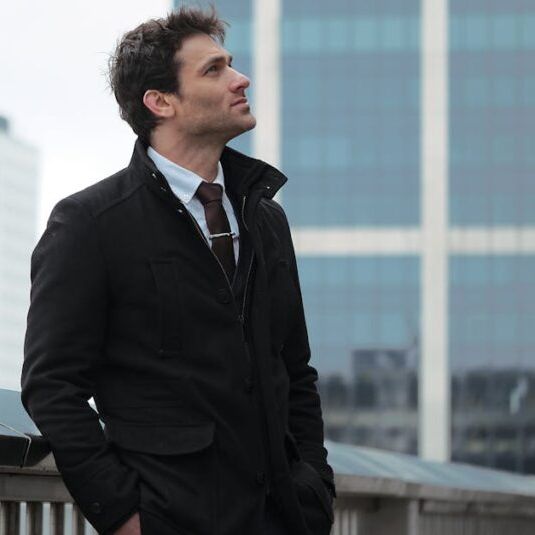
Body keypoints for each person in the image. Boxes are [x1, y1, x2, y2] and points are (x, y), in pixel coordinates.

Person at [21, 7, 335, 535]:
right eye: (214, 70)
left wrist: (314, 491)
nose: (241, 78)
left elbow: (295, 371)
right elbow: (51, 387)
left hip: (281, 519)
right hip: (173, 519)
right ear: (160, 101)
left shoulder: (265, 219)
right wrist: (123, 517)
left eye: (230, 64)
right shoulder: (89, 225)